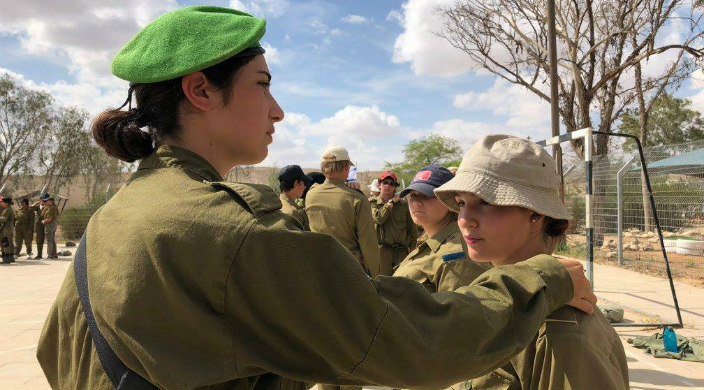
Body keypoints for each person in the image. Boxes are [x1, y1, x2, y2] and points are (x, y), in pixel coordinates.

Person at [37, 7, 596, 390]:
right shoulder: (230, 231)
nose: (277, 109)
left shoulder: (124, 210)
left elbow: (53, 349)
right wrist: (545, 278)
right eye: (262, 84)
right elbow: (408, 341)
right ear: (201, 90)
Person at [435, 135, 629, 390]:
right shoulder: (503, 296)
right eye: (461, 203)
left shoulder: (559, 330)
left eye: (485, 202)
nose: (464, 219)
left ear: (535, 212)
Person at [393, 165, 489, 292]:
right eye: (413, 195)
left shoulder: (457, 254)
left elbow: (456, 309)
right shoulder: (430, 239)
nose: (416, 202)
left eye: (427, 195)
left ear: (450, 202)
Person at [305, 146, 381, 278]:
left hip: (319, 267)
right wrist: (375, 275)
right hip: (349, 270)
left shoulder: (311, 194)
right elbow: (368, 244)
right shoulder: (356, 198)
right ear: (346, 167)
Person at [369, 171, 418, 275]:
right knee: (382, 283)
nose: (388, 186)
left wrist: (413, 248)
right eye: (385, 182)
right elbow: (379, 218)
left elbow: (412, 228)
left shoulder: (403, 205)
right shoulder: (372, 203)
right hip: (382, 252)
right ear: (379, 184)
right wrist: (390, 203)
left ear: (395, 187)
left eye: (392, 184)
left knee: (401, 283)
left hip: (402, 252)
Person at [277, 165, 311, 230]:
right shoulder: (294, 212)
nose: (304, 187)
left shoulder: (276, 205)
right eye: (303, 183)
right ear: (296, 183)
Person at [30, 193, 48, 259]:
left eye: (45, 200)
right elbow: (31, 208)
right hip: (39, 226)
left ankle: (51, 254)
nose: (44, 201)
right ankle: (39, 254)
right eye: (43, 199)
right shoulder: (38, 207)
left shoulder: (49, 206)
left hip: (47, 224)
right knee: (39, 240)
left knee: (49, 240)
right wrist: (36, 202)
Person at [0, 197, 15, 263]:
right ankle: (10, 257)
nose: (1, 203)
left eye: (2, 202)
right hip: (8, 227)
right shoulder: (7, 209)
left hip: (6, 228)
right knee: (9, 241)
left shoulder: (7, 210)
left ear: (6, 203)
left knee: (5, 241)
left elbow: (4, 219)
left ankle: (6, 258)